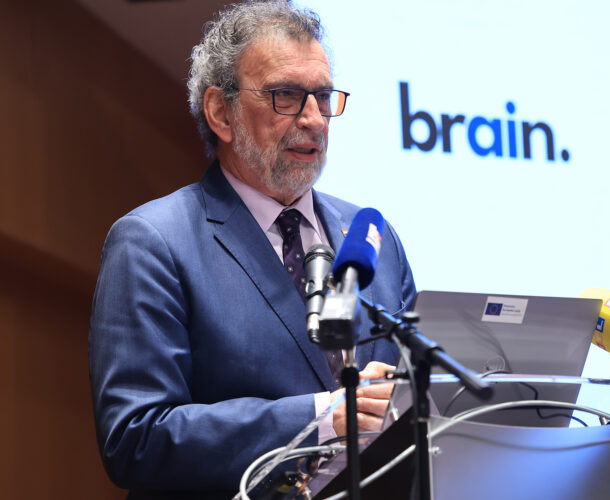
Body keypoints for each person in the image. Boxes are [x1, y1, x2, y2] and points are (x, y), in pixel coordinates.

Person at [88, 1, 416, 498]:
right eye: (287, 96)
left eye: (323, 97)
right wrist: (320, 418)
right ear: (221, 112)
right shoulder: (153, 242)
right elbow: (136, 438)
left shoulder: (373, 238)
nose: (315, 120)